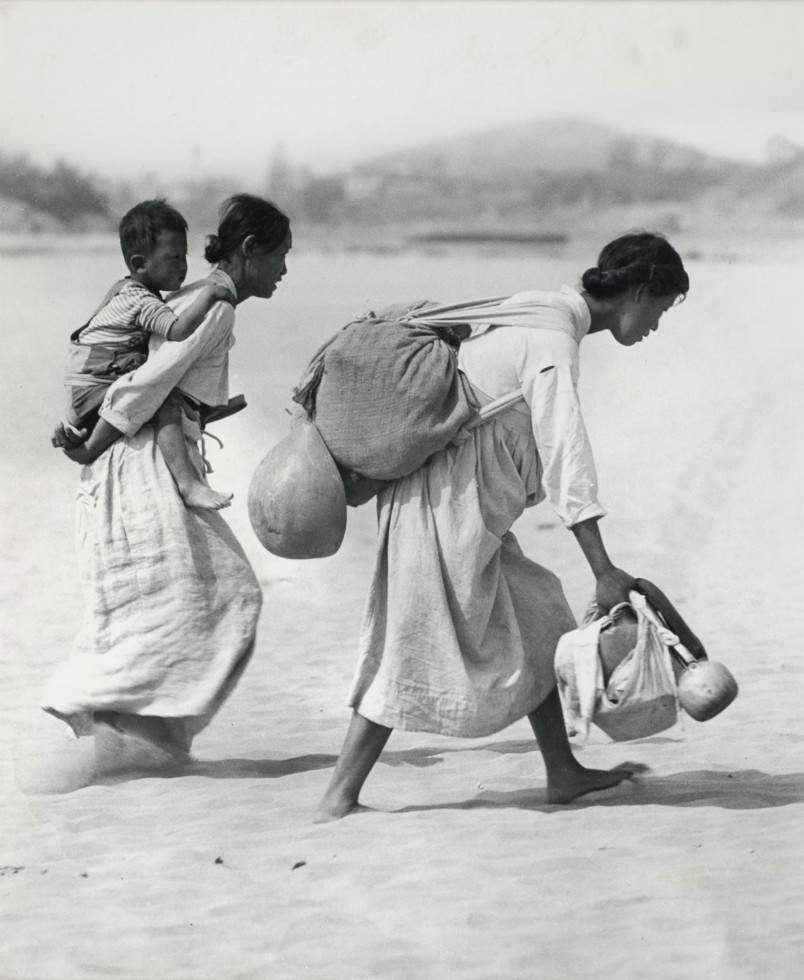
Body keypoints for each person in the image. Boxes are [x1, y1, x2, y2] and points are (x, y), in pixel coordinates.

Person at [316, 232, 690, 821]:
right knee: (412, 637)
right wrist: (603, 569)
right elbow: (567, 456)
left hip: (465, 504)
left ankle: (562, 773)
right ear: (639, 291)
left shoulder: (540, 310)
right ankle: (338, 794)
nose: (655, 327)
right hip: (441, 501)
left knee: (540, 616)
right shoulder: (552, 342)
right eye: (660, 310)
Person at [45, 194, 292, 767]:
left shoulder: (191, 298)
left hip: (142, 457)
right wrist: (92, 448)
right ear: (251, 250)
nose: (285, 270)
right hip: (143, 466)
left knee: (166, 605)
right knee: (231, 596)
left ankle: (139, 740)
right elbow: (147, 384)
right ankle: (131, 730)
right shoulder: (215, 307)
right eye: (281, 254)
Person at [61, 198, 235, 510]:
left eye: (184, 256)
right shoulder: (144, 301)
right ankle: (188, 484)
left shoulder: (121, 288)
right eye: (173, 258)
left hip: (81, 389)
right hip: (94, 390)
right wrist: (209, 294)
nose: (182, 266)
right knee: (164, 402)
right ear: (141, 264)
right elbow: (179, 330)